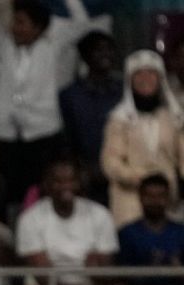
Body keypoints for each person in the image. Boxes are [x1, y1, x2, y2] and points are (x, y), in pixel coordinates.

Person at [0, 0, 94, 210]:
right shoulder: (3, 43)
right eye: (15, 22)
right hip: (9, 137)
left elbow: (82, 23)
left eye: (22, 23)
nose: (15, 28)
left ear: (38, 27)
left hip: (44, 135)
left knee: (42, 194)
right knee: (10, 196)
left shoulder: (53, 45)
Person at [15, 159, 118, 285]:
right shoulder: (30, 218)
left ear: (79, 183)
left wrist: (89, 281)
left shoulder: (100, 214)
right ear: (47, 185)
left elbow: (104, 269)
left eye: (71, 180)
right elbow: (42, 273)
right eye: (58, 181)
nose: (66, 186)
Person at [101, 50, 184, 229]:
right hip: (129, 198)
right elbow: (110, 162)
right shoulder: (119, 118)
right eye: (138, 73)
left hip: (167, 198)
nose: (145, 78)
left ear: (160, 78)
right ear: (129, 80)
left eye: (151, 73)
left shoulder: (173, 116)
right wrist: (141, 179)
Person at [59, 32, 122, 206]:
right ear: (85, 55)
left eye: (109, 49)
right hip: (86, 174)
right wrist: (80, 169)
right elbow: (66, 139)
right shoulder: (70, 95)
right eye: (99, 50)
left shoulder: (124, 91)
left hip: (120, 171)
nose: (106, 54)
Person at [114, 174, 184, 285]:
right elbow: (122, 273)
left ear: (168, 198)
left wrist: (177, 267)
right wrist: (153, 266)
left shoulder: (180, 232)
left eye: (160, 196)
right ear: (140, 197)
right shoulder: (127, 233)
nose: (155, 201)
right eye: (150, 196)